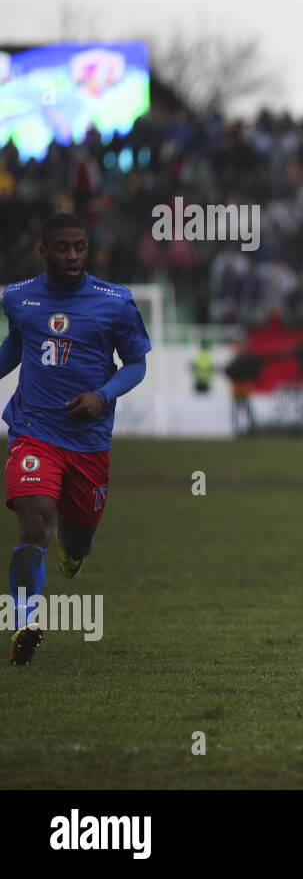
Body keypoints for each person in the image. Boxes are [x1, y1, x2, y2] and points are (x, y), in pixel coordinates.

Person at [1, 213, 152, 665]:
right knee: (34, 519)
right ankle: (25, 622)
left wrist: (103, 396)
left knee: (78, 539)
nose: (73, 256)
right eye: (63, 247)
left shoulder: (116, 302)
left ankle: (75, 550)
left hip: (88, 444)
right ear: (43, 250)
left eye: (80, 247)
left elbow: (137, 364)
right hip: (34, 432)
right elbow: (16, 345)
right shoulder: (18, 298)